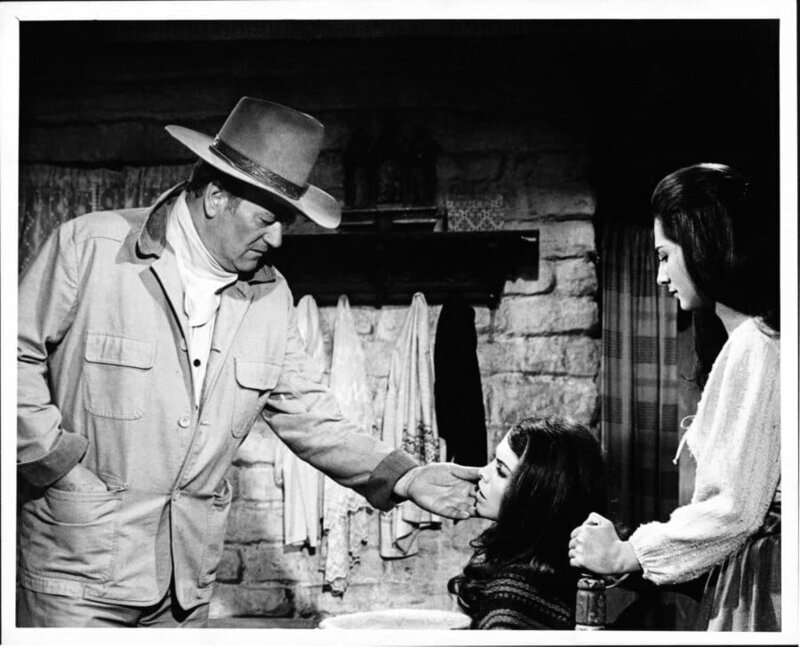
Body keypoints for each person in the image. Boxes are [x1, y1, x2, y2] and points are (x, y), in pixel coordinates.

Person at [16, 97, 479, 627]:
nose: (277, 238)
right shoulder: (90, 248)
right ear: (216, 197)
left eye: (285, 222)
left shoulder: (271, 296)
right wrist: (56, 464)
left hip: (184, 588)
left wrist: (407, 477)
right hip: (76, 577)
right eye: (267, 219)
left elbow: (310, 413)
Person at [568, 163, 781, 631]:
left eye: (665, 256)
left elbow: (735, 509)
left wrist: (626, 553)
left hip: (766, 582)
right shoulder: (751, 342)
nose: (661, 276)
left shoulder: (757, 344)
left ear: (703, 245)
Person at [448, 416, 608, 630]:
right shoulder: (549, 564)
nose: (482, 473)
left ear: (538, 493)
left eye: (501, 470)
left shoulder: (512, 599)